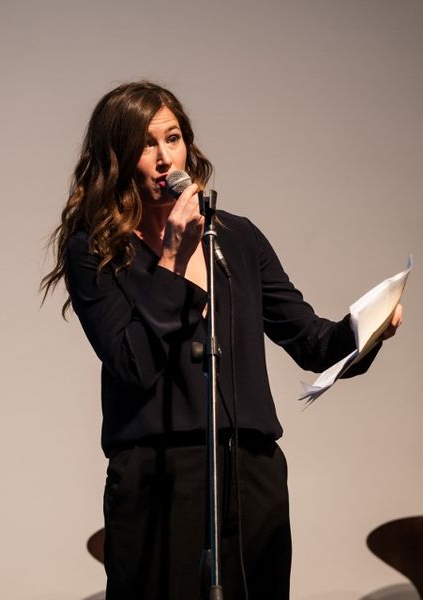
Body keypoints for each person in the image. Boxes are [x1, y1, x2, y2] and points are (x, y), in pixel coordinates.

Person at [41, 81, 402, 600]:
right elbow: (133, 364)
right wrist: (169, 261)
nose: (165, 157)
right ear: (118, 158)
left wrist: (369, 327)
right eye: (147, 144)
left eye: (173, 138)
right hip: (158, 475)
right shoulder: (97, 249)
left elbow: (312, 341)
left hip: (250, 472)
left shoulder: (236, 237)